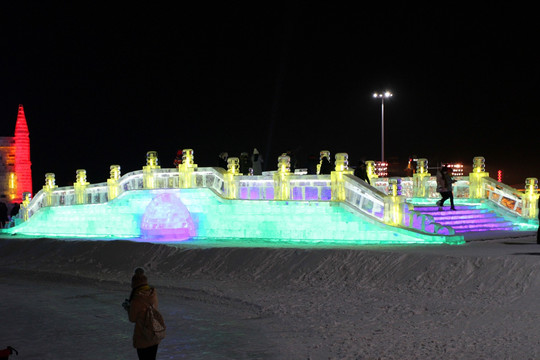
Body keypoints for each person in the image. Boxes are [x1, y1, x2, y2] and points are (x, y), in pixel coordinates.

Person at [125, 267, 162, 360]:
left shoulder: (136, 298)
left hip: (142, 336)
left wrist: (128, 308)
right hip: (154, 333)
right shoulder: (153, 294)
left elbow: (132, 318)